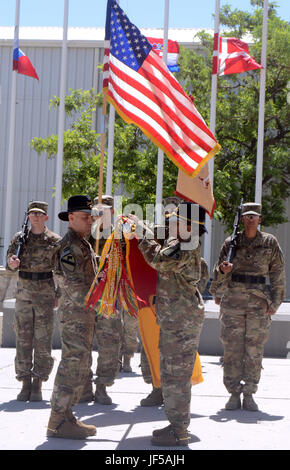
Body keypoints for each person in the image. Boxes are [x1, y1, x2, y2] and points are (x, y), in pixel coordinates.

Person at [127, 202, 205, 447]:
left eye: (175, 220)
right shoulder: (177, 242)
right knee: (172, 374)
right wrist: (139, 225)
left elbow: (157, 260)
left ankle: (179, 430)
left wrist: (141, 235)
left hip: (181, 321)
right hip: (174, 319)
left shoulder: (186, 247)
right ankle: (175, 424)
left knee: (177, 377)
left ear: (189, 226)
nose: (170, 223)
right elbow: (159, 236)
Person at [210, 202, 286, 411]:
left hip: (258, 303)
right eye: (247, 216)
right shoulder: (231, 242)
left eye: (254, 216)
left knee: (254, 350)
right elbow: (218, 271)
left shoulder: (270, 243)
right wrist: (220, 285)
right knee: (232, 349)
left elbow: (278, 274)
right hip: (233, 301)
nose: (250, 219)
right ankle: (233, 393)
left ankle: (250, 393)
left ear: (260, 220)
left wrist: (275, 302)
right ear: (242, 219)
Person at [47, 195, 97, 439]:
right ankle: (58, 419)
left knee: (79, 365)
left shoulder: (83, 243)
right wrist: (99, 292)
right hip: (76, 313)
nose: (90, 222)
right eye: (86, 217)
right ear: (71, 218)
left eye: (91, 217)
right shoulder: (70, 246)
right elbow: (74, 285)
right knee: (72, 364)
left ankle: (66, 415)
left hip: (83, 313)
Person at [6, 201, 61, 402]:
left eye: (39, 214)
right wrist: (12, 264)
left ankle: (38, 382)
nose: (36, 217)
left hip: (45, 292)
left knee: (43, 339)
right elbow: (9, 264)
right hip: (24, 292)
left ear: (46, 217)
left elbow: (61, 271)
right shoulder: (20, 239)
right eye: (32, 214)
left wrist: (58, 294)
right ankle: (25, 382)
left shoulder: (54, 240)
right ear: (28, 217)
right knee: (22, 337)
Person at [80, 194, 123, 405]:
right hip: (86, 296)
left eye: (105, 210)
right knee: (83, 343)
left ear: (112, 212)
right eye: (97, 210)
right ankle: (84, 386)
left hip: (109, 296)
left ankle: (103, 386)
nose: (101, 213)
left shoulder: (120, 236)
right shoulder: (84, 235)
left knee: (110, 344)